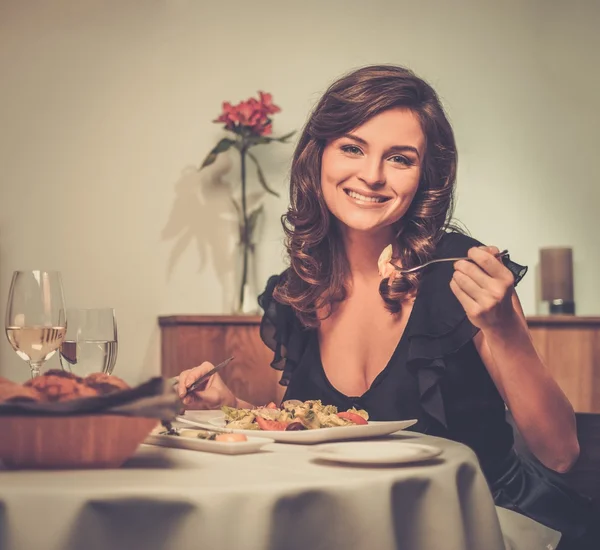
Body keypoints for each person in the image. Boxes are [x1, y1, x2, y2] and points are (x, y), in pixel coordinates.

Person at [178, 65, 597, 548]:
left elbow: (561, 453)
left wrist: (503, 329)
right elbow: (311, 431)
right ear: (318, 156)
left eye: (399, 158)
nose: (372, 176)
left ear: (426, 176)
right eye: (352, 147)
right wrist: (231, 406)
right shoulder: (297, 289)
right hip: (367, 527)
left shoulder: (460, 271)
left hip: (491, 521)